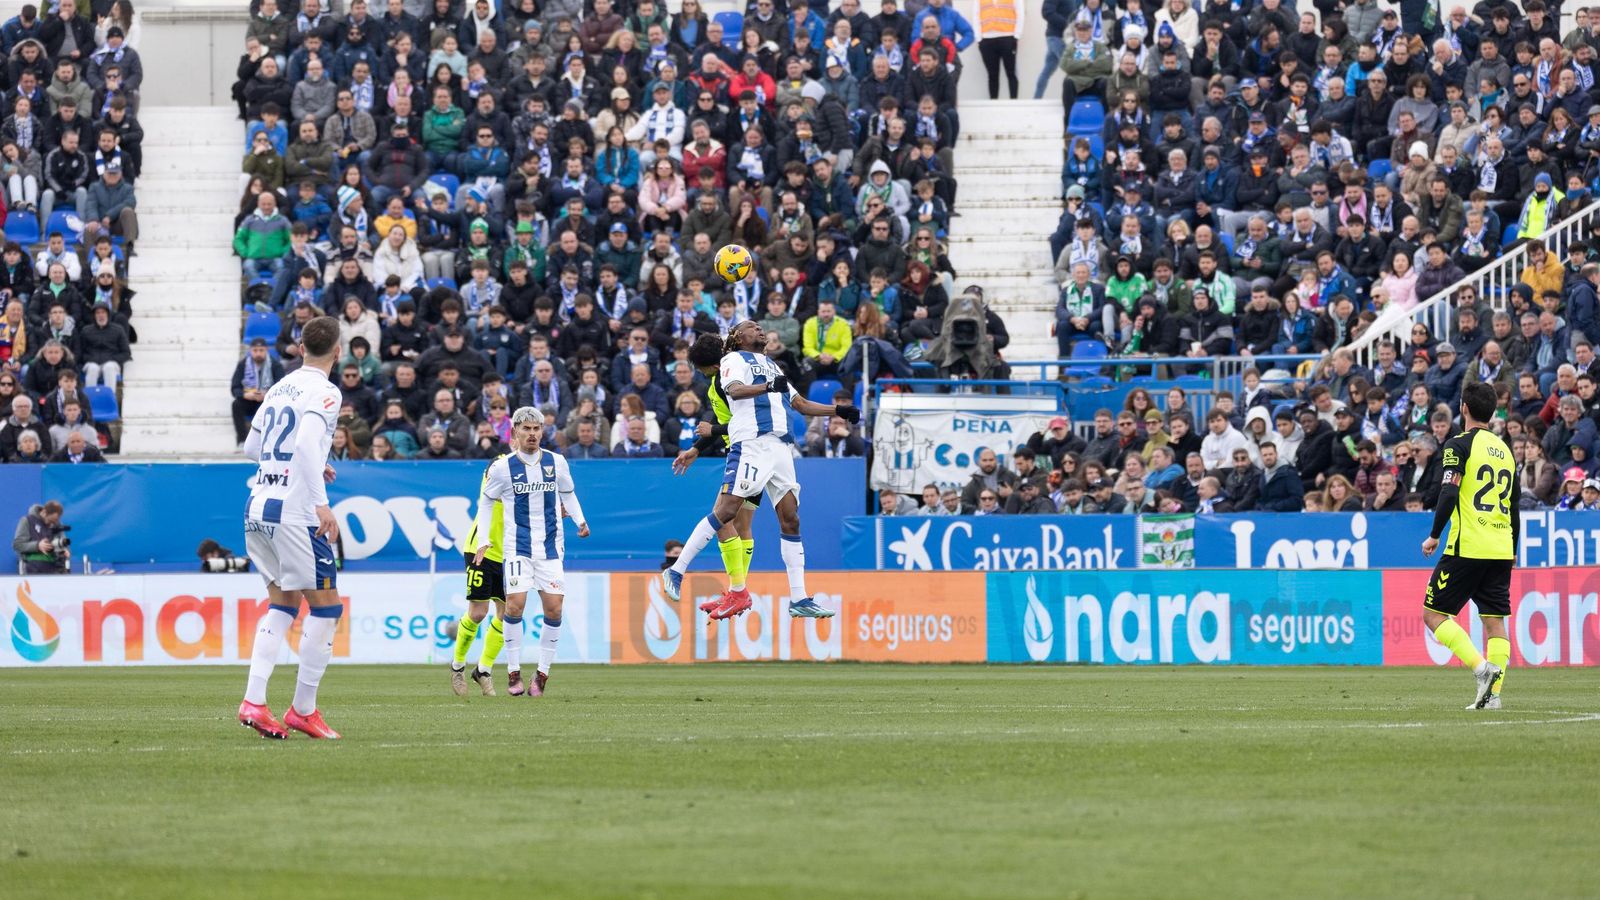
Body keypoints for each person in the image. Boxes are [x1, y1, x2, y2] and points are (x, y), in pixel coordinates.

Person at [659, 321, 860, 620]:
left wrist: (839, 411)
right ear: (738, 337)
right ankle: (676, 571)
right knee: (727, 511)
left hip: (781, 447)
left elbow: (800, 404)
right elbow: (736, 391)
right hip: (752, 443)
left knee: (791, 519)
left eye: (760, 326)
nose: (760, 329)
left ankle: (799, 598)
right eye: (752, 327)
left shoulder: (772, 365)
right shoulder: (732, 360)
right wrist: (766, 387)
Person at [237, 316, 345, 741]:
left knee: (282, 605)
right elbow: (302, 444)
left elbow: (251, 449)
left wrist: (313, 463)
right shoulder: (326, 392)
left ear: (301, 348)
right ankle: (302, 709)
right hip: (294, 513)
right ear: (337, 352)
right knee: (326, 607)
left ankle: (254, 701)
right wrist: (321, 504)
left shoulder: (279, 387)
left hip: (258, 505)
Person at [469, 407, 590, 698]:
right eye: (526, 429)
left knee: (554, 609)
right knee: (514, 606)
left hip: (550, 548)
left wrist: (580, 520)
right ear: (515, 433)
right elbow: (486, 503)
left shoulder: (556, 462)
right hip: (517, 548)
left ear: (542, 432)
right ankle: (513, 672)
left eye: (537, 429)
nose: (532, 434)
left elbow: (568, 493)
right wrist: (483, 539)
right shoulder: (502, 468)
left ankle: (542, 674)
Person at [1420, 381, 1516, 711]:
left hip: (1468, 545)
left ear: (1463, 408)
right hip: (1501, 547)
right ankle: (1494, 696)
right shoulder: (1505, 450)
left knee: (1433, 614)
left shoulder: (1458, 444)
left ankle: (1481, 669)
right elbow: (1513, 507)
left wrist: (1434, 534)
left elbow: (1448, 492)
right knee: (1494, 622)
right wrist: (1512, 547)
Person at [12, 500, 68, 574]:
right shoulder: (27, 521)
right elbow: (17, 545)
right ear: (44, 512)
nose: (51, 525)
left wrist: (65, 551)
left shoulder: (57, 524)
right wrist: (37, 545)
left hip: (54, 569)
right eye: (50, 521)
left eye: (54, 522)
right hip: (32, 568)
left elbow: (64, 544)